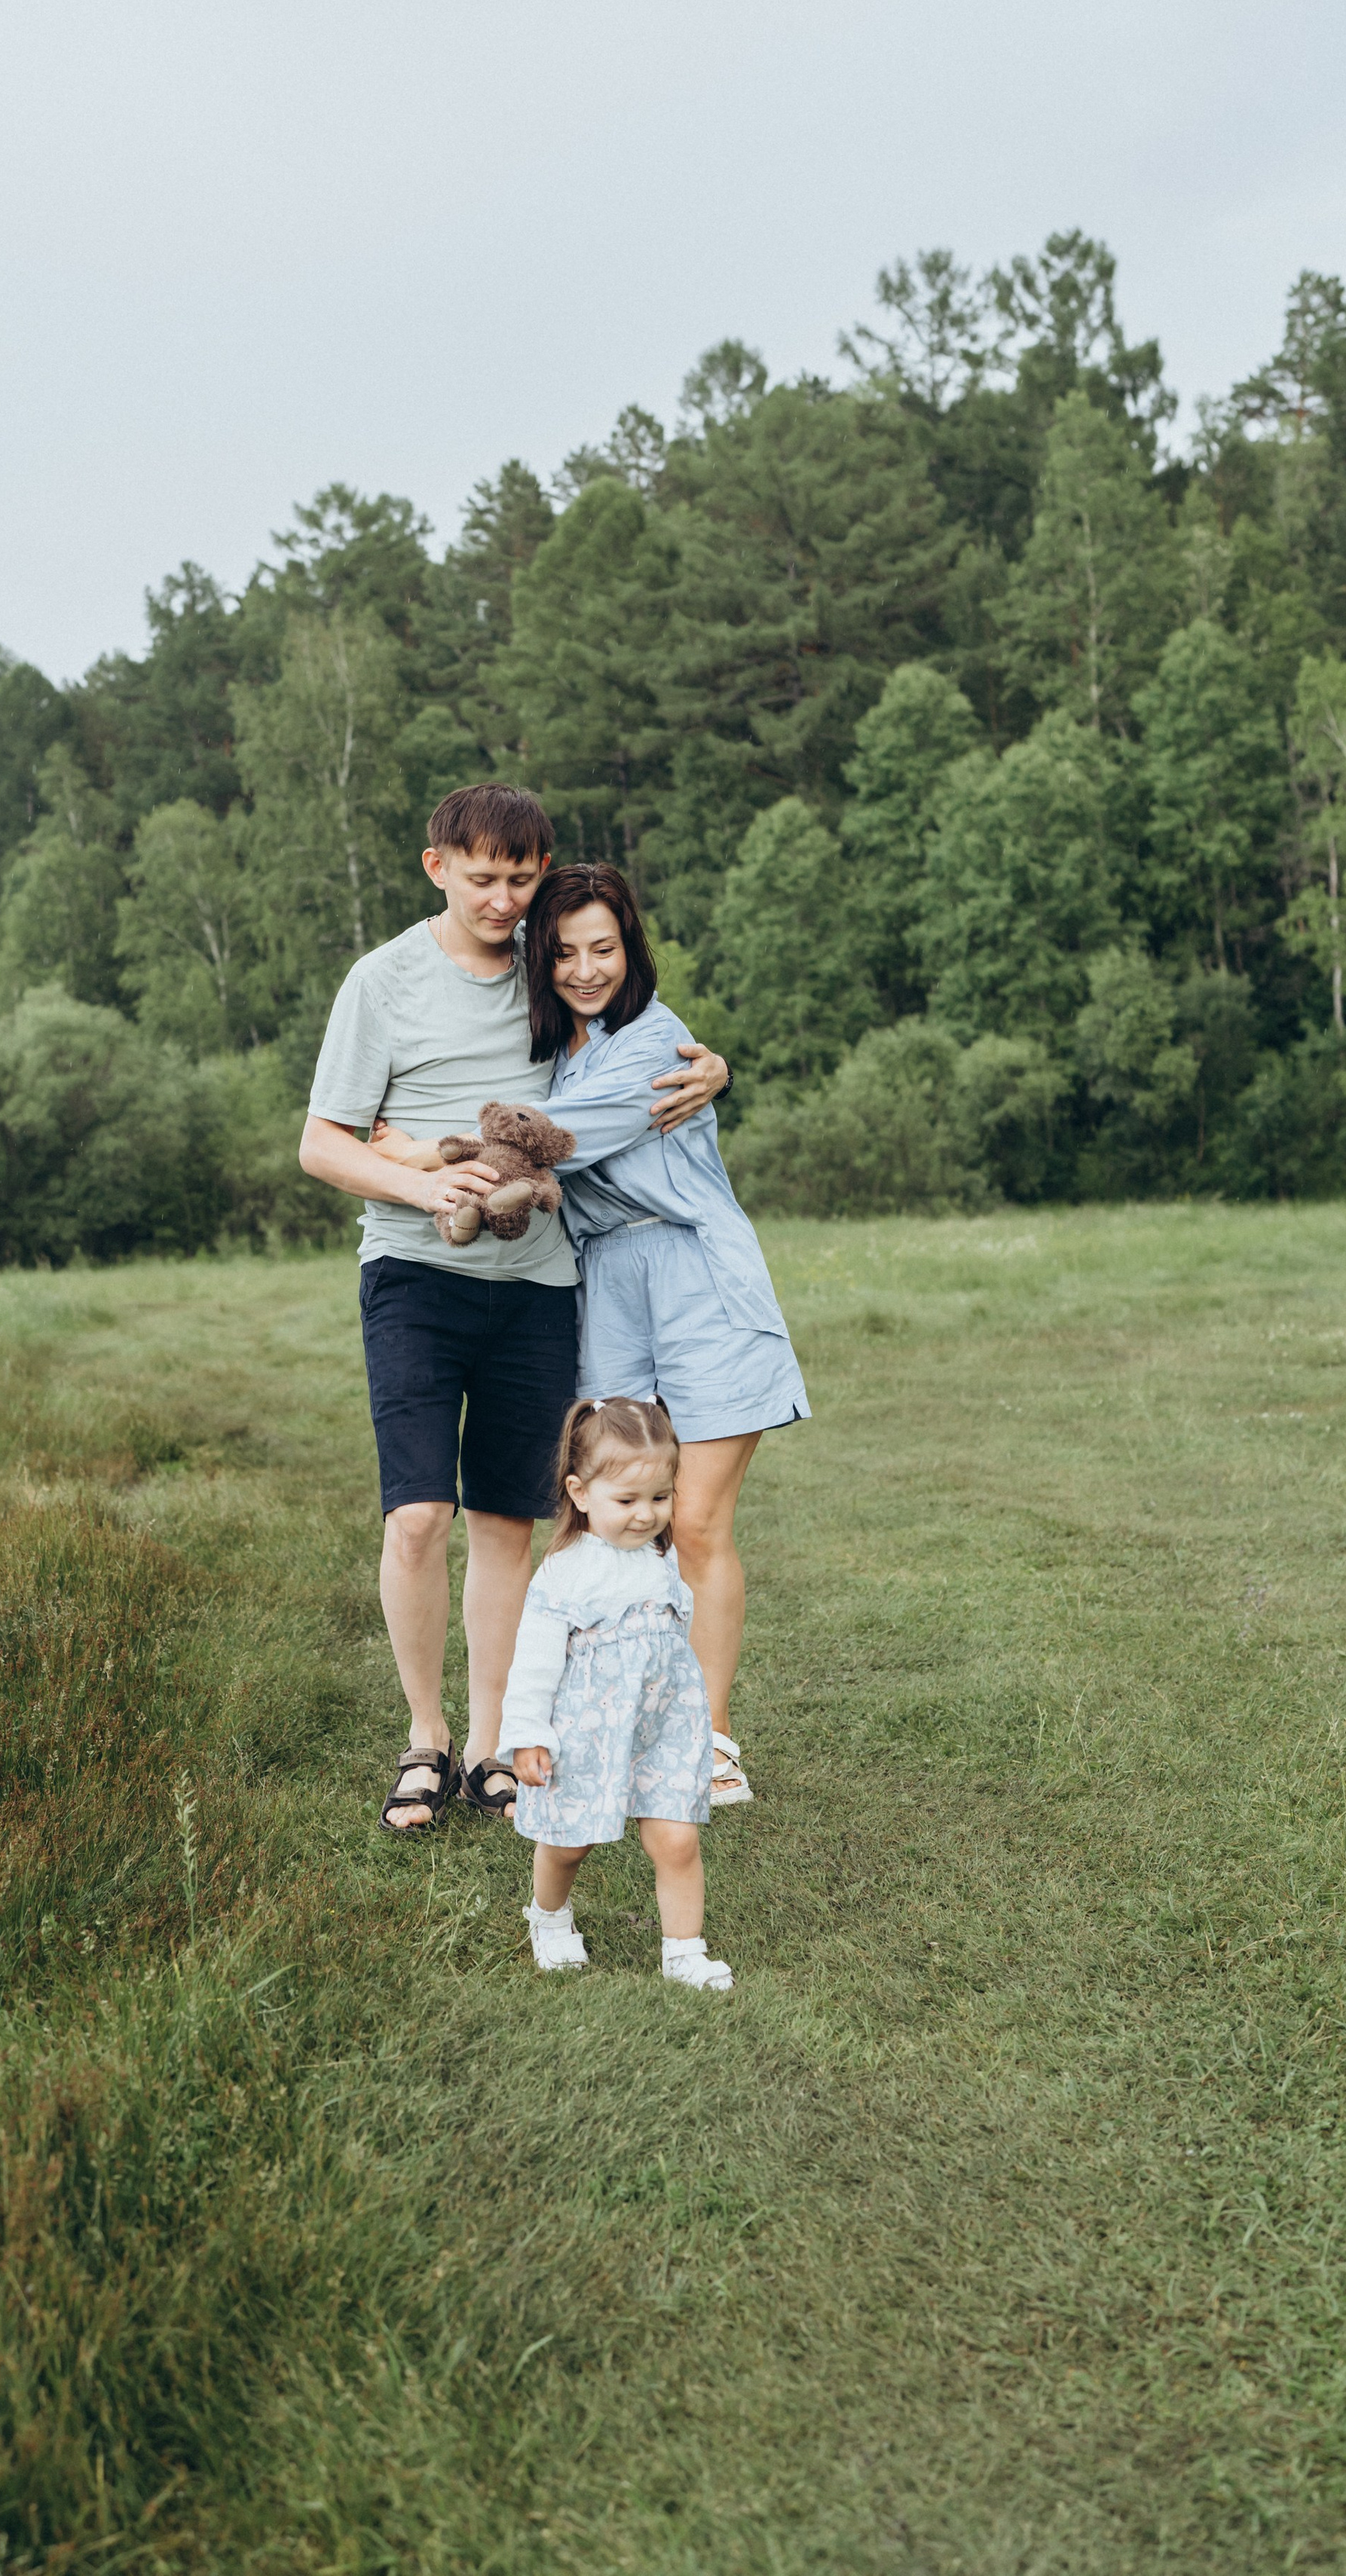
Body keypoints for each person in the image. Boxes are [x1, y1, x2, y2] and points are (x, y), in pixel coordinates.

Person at [296, 787, 728, 1838]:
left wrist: (712, 1064)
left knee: (504, 1523)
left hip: (539, 1285)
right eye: (481, 877)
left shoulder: (553, 967)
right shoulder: (383, 980)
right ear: (436, 866)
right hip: (415, 1276)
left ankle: (490, 1745)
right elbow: (323, 1142)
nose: (503, 899)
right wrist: (419, 1183)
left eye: (520, 878)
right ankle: (424, 1737)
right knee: (417, 1517)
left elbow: (637, 1036)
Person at [375, 859, 803, 1808]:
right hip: (604, 1283)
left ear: (632, 948)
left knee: (690, 1522)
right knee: (614, 1517)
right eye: (562, 951)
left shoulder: (659, 1043)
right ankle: (618, 1716)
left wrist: (422, 1148)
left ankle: (712, 1741)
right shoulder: (552, 1042)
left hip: (695, 1274)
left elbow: (555, 1132)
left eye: (603, 949)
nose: (582, 969)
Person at [499, 1394, 733, 1991]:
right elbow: (534, 1662)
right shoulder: (567, 1572)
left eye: (660, 1497)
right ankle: (549, 1918)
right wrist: (528, 1734)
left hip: (663, 1728)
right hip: (587, 1731)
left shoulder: (662, 1554)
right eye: (626, 1500)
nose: (646, 1515)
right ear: (579, 1493)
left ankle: (684, 1950)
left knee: (676, 1839)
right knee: (569, 1843)